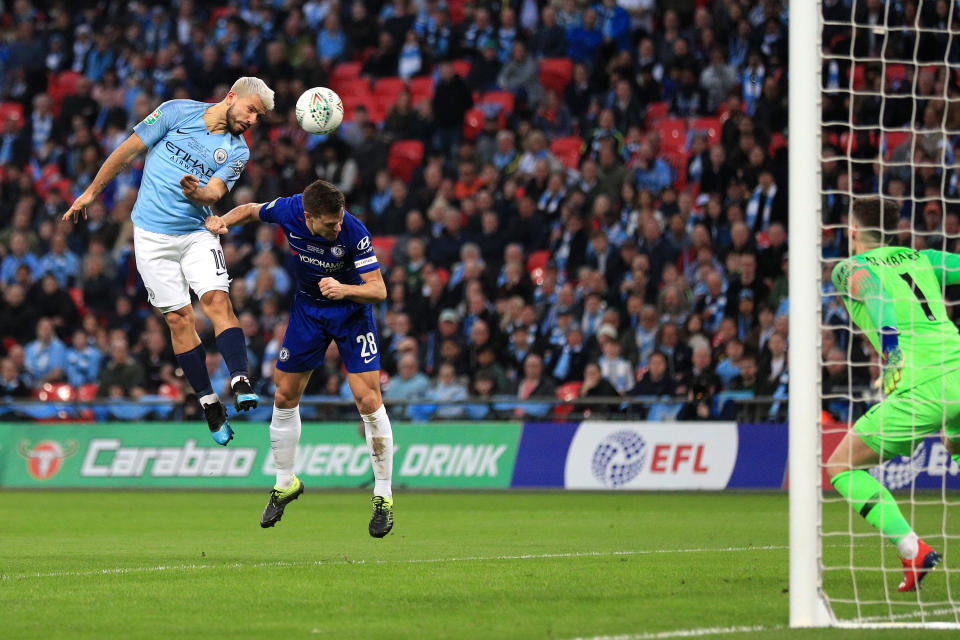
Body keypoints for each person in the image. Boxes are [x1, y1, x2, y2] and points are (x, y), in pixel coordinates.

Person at [62, 77, 274, 446]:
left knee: (217, 301)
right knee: (179, 319)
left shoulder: (238, 151)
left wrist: (199, 193)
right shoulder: (176, 112)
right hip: (150, 237)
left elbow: (215, 192)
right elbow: (127, 151)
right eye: (252, 110)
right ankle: (209, 403)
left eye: (260, 116)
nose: (254, 120)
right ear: (231, 97)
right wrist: (90, 193)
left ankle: (240, 379)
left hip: (196, 234)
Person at [208, 179, 394, 538]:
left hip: (351, 312)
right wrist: (221, 221)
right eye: (329, 223)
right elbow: (249, 211)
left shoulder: (354, 232)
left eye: (339, 220)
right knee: (284, 395)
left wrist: (344, 289)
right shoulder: (289, 209)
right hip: (308, 311)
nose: (337, 227)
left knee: (368, 400)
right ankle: (285, 482)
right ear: (307, 216)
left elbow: (378, 290)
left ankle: (383, 496)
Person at [827, 197, 960, 593]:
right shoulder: (924, 259)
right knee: (954, 441)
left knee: (840, 467)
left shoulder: (849, 268)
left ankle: (912, 549)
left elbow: (877, 298)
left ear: (852, 231)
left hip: (921, 386)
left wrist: (893, 351)